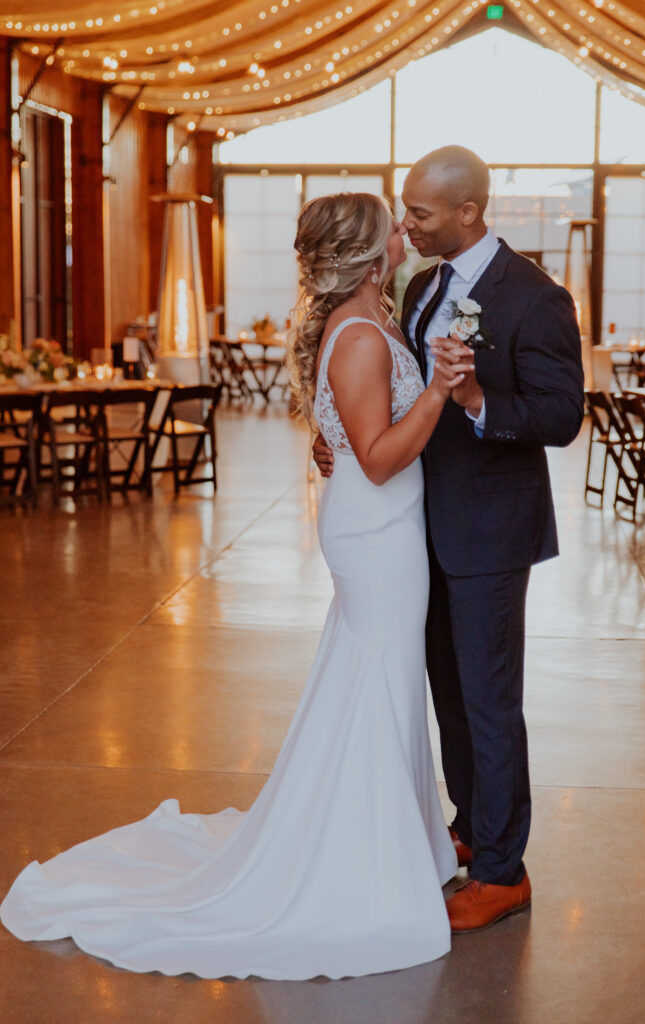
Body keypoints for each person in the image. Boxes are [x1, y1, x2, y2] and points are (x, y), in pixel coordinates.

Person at [1, 192, 469, 980]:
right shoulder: (358, 335)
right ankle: (362, 863)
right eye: (391, 225)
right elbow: (382, 455)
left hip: (387, 526)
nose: (403, 233)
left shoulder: (375, 315)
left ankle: (389, 841)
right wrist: (439, 388)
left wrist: (342, 433)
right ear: (362, 252)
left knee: (377, 679)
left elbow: (348, 432)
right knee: (378, 677)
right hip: (376, 532)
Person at [314, 146, 585, 933]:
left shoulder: (536, 299)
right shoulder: (422, 286)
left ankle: (502, 872)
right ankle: (471, 825)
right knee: (450, 698)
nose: (407, 224)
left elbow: (561, 417)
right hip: (411, 533)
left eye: (421, 213)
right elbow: (383, 396)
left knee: (490, 702)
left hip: (491, 536)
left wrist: (472, 397)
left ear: (468, 212)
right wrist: (342, 434)